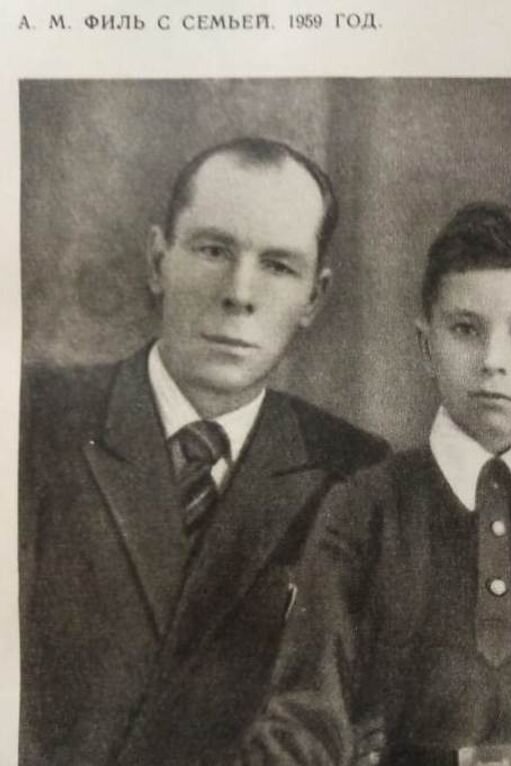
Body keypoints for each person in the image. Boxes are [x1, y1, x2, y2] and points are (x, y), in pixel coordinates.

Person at [242, 202, 511, 765]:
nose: (492, 360)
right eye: (465, 329)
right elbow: (305, 720)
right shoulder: (363, 509)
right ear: (426, 345)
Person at [19, 137, 390, 766]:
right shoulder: (33, 422)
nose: (239, 293)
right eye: (213, 250)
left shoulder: (354, 473)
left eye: (278, 265)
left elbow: (352, 728)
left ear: (315, 297)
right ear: (157, 260)